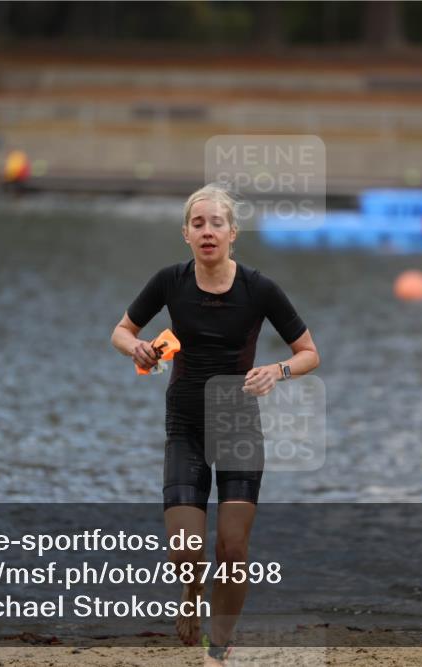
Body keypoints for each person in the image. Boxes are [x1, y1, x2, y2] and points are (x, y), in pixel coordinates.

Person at [111, 184, 319, 665]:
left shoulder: (258, 289)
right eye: (198, 224)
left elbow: (309, 352)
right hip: (184, 423)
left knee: (232, 546)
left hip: (239, 426)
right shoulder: (169, 282)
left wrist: (278, 370)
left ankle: (218, 648)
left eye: (216, 223)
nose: (208, 231)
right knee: (186, 548)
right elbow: (121, 331)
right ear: (185, 234)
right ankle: (190, 594)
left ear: (233, 233)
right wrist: (136, 348)